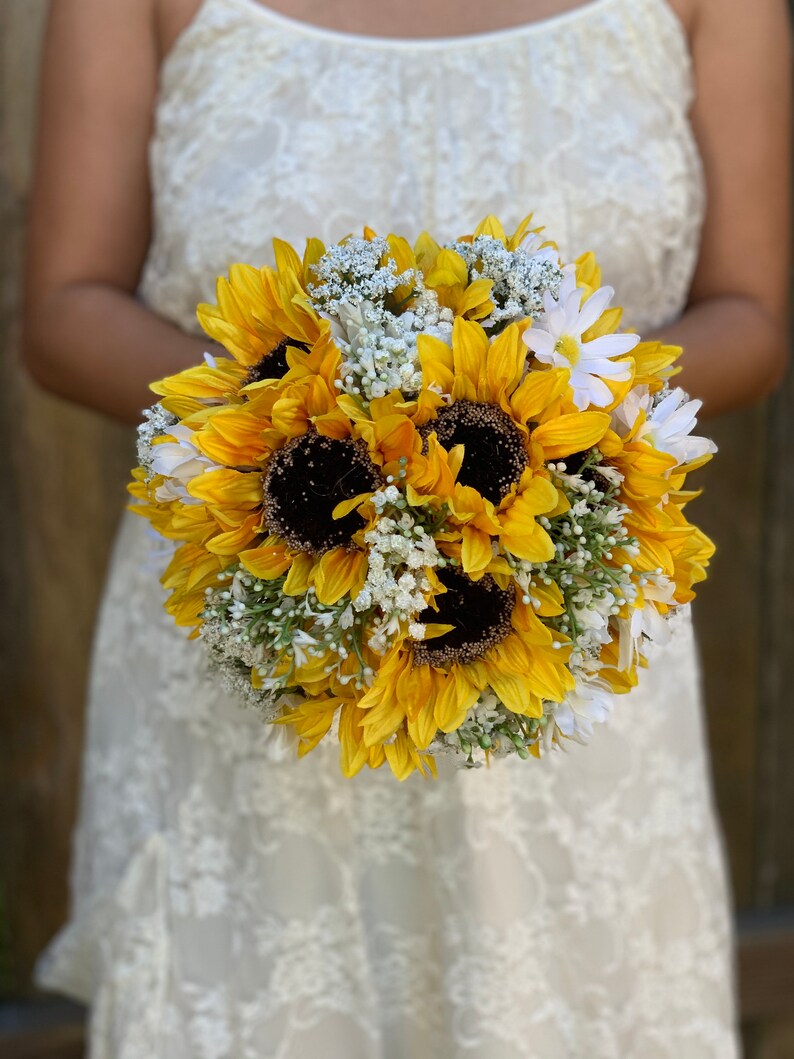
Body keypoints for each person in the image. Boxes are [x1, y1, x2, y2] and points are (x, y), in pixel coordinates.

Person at [24, 0, 790, 1055]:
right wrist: (309, 431)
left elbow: (747, 312)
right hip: (256, 630)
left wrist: (534, 430)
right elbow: (66, 307)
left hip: (567, 639)